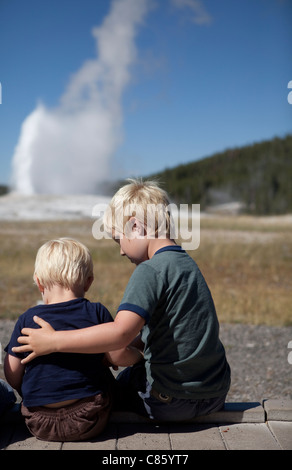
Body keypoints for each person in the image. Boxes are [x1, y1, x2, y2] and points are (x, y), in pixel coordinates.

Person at [12, 180, 231, 422]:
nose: (121, 251)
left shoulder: (150, 270)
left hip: (171, 400)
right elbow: (176, 329)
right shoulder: (186, 263)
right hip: (214, 393)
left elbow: (120, 334)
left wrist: (53, 341)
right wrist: (137, 344)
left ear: (135, 226)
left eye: (118, 240)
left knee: (111, 387)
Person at [5, 238, 142, 441]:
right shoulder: (96, 312)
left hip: (38, 421)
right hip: (88, 416)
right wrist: (139, 358)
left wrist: (28, 390)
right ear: (88, 282)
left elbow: (13, 372)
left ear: (39, 282)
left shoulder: (27, 319)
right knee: (110, 380)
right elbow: (118, 356)